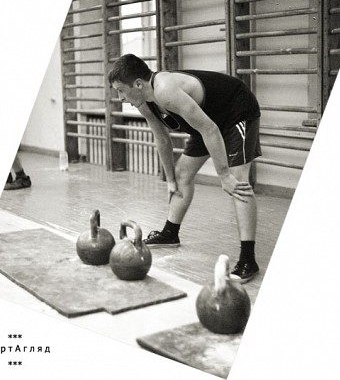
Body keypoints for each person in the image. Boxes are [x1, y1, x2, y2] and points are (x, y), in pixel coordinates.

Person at [108, 54, 262, 283]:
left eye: (121, 90)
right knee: (182, 173)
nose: (120, 97)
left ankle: (249, 260)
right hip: (207, 122)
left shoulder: (165, 91)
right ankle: (170, 233)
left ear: (138, 84)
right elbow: (162, 138)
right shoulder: (143, 102)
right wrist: (170, 179)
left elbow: (210, 130)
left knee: (238, 180)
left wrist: (224, 175)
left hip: (235, 112)